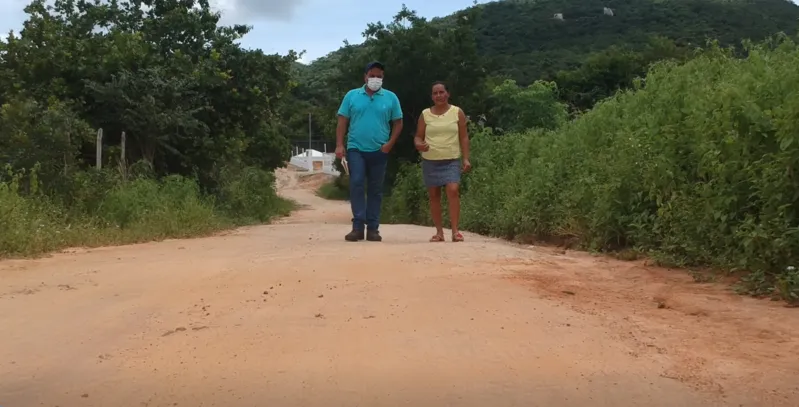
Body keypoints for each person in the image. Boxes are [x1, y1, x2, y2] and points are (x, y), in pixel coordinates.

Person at [335, 61, 403, 242]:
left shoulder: (391, 98)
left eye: (379, 76)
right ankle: (357, 227)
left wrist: (390, 143)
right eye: (372, 75)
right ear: (365, 77)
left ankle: (373, 229)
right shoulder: (352, 96)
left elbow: (398, 122)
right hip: (355, 148)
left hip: (380, 149)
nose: (375, 79)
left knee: (375, 189)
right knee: (356, 182)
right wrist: (339, 145)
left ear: (383, 78)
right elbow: (342, 121)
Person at [413, 81, 471, 242]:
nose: (438, 95)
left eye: (441, 92)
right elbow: (418, 136)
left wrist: (466, 158)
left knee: (453, 190)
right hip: (430, 160)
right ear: (432, 96)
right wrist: (418, 144)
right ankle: (439, 232)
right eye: (435, 93)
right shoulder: (425, 114)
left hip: (451, 158)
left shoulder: (457, 112)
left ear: (448, 94)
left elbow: (464, 136)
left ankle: (455, 231)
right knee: (434, 195)